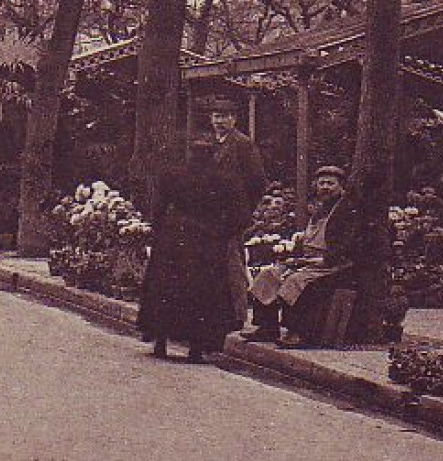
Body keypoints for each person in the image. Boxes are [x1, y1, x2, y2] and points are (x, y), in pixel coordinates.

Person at [137, 150, 247, 362]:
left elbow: (158, 208)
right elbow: (239, 215)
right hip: (207, 240)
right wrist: (223, 233)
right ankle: (196, 348)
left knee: (167, 288)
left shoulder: (173, 175)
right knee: (203, 292)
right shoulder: (225, 180)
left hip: (174, 238)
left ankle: (160, 340)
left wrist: (161, 231)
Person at [245, 165, 366, 348]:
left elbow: (349, 243)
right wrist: (295, 255)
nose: (325, 187)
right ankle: (267, 327)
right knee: (267, 275)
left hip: (333, 263)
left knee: (296, 281)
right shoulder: (319, 209)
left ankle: (298, 332)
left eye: (330, 184)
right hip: (309, 260)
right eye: (322, 183)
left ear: (341, 187)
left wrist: (326, 259)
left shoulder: (346, 210)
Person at [198, 94, 268, 331]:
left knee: (232, 262)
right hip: (211, 214)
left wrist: (243, 210)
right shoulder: (212, 143)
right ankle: (218, 312)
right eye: (216, 116)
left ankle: (238, 315)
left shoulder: (242, 144)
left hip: (232, 215)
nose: (220, 121)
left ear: (234, 119)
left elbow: (257, 181)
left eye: (225, 117)